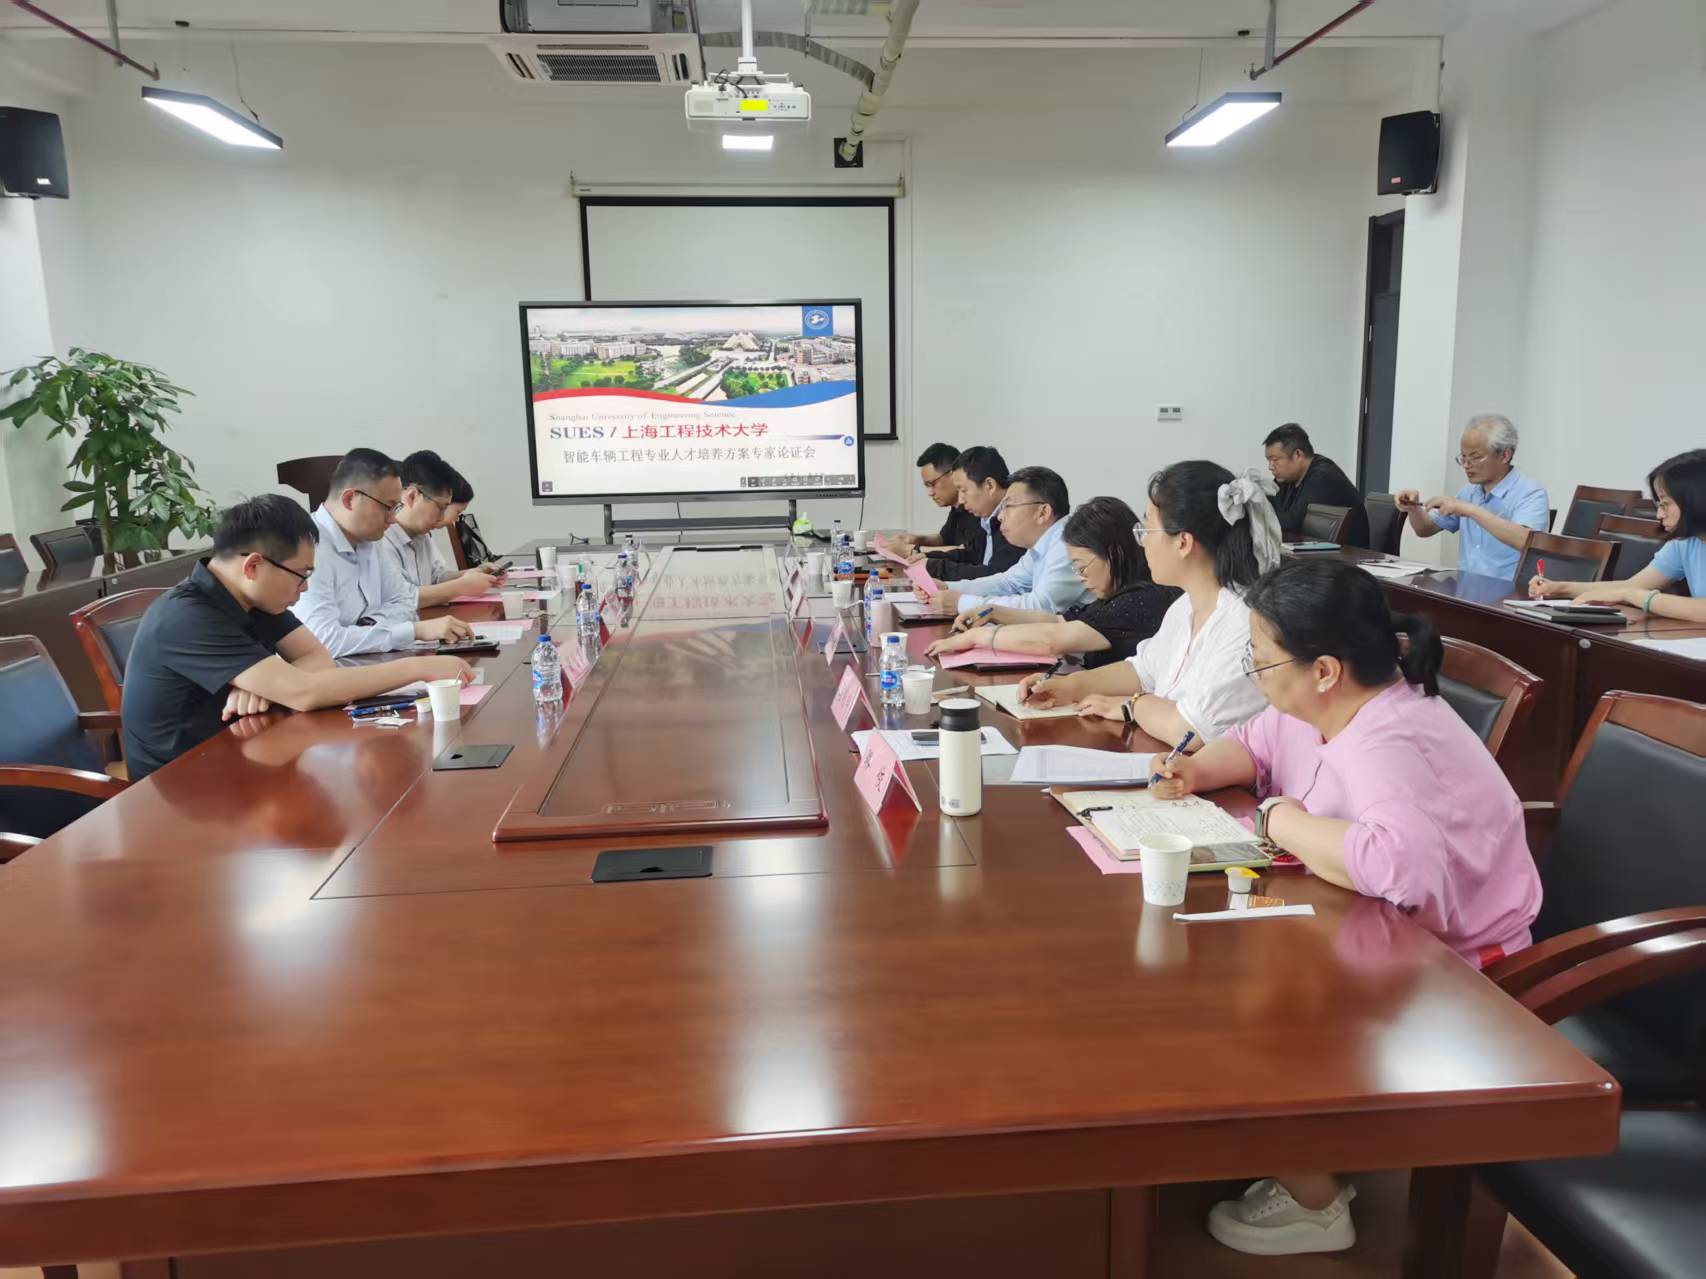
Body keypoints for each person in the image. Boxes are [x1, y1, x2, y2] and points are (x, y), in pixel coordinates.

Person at [1152, 557, 1540, 1256]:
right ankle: (1299, 1140)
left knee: (1245, 1000)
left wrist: (1278, 820)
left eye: (1262, 657)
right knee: (1212, 961)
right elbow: (1254, 743)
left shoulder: (1392, 736)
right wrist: (1196, 769)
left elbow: (1399, 867)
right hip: (1378, 928)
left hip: (1461, 968)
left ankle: (1314, 1200)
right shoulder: (1318, 707)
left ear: (1324, 669)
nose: (1254, 671)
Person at [120, 495, 473, 782]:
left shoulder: (249, 595)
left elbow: (317, 657)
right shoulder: (189, 616)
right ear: (253, 566)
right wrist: (419, 668)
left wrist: (267, 684)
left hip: (243, 750)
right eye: (301, 575)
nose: (304, 589)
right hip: (185, 784)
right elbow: (305, 693)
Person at [1015, 463, 1277, 745]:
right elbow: (1143, 670)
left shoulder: (1245, 623)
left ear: (1183, 542)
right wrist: (1069, 686)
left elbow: (1190, 731)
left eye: (1146, 530)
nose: (1142, 543)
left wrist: (1134, 705)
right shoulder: (1185, 606)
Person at [923, 497, 1179, 668]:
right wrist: (993, 611)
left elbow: (1054, 638)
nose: (1081, 577)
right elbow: (1058, 621)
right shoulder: (1112, 597)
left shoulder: (1140, 600)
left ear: (1114, 553)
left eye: (1082, 567)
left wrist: (977, 637)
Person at [296, 448, 472, 656]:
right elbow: (324, 641)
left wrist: (367, 626)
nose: (392, 519)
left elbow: (406, 603)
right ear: (349, 499)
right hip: (330, 671)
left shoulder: (371, 539)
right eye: (388, 507)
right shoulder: (308, 548)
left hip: (370, 661)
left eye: (396, 508)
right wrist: (410, 631)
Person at [1529, 448, 1706, 621]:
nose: (1659, 514)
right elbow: (1632, 586)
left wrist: (1633, 595)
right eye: (1658, 505)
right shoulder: (1684, 543)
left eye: (1665, 504)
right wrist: (1559, 588)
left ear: (1697, 499)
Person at [1395, 414, 1549, 581]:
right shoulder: (1469, 492)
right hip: (1466, 588)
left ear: (1505, 455)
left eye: (1475, 457)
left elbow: (1527, 542)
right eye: (1463, 457)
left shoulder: (1531, 493)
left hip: (1509, 591)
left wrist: (1470, 510)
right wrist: (1413, 508)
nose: (1467, 465)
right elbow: (1425, 529)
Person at [927, 467, 1092, 618]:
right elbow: (1009, 582)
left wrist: (963, 603)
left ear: (1043, 512)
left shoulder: (1068, 543)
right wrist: (949, 587)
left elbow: (1040, 607)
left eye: (1009, 506)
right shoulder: (1044, 543)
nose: (1000, 516)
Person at [384, 450, 506, 609]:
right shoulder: (383, 539)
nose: (442, 518)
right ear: (412, 497)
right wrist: (461, 586)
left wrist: (473, 574)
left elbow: (438, 576)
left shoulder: (422, 535)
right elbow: (401, 597)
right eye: (440, 507)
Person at [1262, 422, 1370, 548]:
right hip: (1310, 552)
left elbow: (1293, 523)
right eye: (1269, 460)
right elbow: (1273, 507)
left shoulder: (1323, 477)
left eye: (1275, 460)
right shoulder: (1288, 478)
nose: (1270, 467)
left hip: (1349, 555)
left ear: (1297, 455)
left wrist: (1257, 514)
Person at [885, 443, 984, 568]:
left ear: (953, 474)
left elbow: (967, 552)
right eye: (927, 486)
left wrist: (911, 550)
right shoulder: (956, 508)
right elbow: (945, 539)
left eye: (932, 484)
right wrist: (916, 539)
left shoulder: (976, 508)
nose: (930, 493)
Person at [934, 446, 1023, 581]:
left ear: (989, 485)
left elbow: (996, 577)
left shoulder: (1016, 522)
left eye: (964, 490)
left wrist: (935, 567)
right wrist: (928, 559)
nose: (961, 500)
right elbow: (971, 554)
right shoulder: (987, 517)